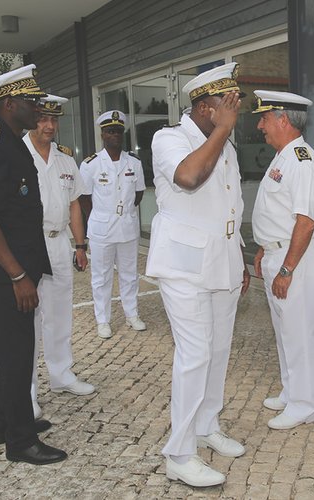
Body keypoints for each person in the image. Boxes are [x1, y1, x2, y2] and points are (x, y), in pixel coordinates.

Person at [146, 62, 250, 487]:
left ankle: (207, 425)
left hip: (223, 259)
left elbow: (231, 207)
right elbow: (189, 178)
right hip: (184, 265)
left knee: (219, 350)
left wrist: (239, 258)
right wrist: (223, 131)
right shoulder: (169, 137)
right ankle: (180, 452)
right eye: (229, 105)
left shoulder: (223, 144)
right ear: (208, 106)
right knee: (195, 354)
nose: (235, 113)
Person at [0, 64, 67, 465]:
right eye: (31, 102)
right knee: (16, 353)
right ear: (10, 104)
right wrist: (19, 275)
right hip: (3, 271)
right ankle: (20, 442)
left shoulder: (10, 139)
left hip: (15, 266)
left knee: (13, 349)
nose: (38, 108)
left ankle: (5, 421)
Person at [250, 90, 314, 430]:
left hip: (296, 259)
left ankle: (304, 404)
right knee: (284, 331)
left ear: (283, 120)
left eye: (264, 118)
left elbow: (305, 221)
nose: (259, 125)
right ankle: (291, 390)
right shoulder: (283, 156)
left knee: (299, 332)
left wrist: (286, 268)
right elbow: (278, 212)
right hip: (278, 253)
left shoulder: (302, 161)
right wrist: (265, 248)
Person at [23, 95, 95, 419]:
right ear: (31, 119)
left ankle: (61, 375)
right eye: (42, 118)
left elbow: (74, 205)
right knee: (28, 321)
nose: (49, 125)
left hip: (59, 243)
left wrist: (80, 246)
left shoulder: (66, 160)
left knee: (60, 314)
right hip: (28, 244)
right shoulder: (18, 153)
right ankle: (27, 392)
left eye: (54, 120)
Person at [79, 110, 147, 339]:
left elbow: (139, 194)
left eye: (118, 131)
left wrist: (123, 212)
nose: (115, 135)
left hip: (127, 226)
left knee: (130, 274)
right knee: (101, 276)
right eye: (110, 131)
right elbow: (84, 197)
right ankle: (103, 320)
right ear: (103, 135)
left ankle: (132, 314)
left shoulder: (134, 162)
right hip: (102, 228)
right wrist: (102, 215)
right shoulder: (91, 164)